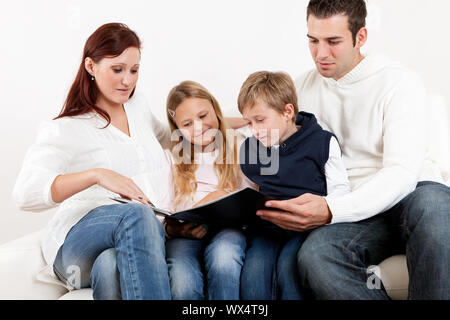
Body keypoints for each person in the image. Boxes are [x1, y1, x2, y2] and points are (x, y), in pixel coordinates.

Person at [256, 0, 450, 299]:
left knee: (438, 211)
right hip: (356, 210)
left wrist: (331, 209)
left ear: (360, 38)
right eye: (313, 40)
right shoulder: (302, 89)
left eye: (333, 41)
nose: (321, 53)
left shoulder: (398, 82)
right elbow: (257, 115)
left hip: (411, 194)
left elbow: (401, 174)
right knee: (316, 255)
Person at [12, 23, 173, 300]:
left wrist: (220, 121)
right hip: (76, 248)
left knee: (110, 266)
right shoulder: (67, 128)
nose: (128, 81)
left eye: (134, 70)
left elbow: (169, 138)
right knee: (136, 213)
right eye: (117, 69)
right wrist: (97, 174)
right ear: (90, 66)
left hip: (132, 241)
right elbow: (25, 195)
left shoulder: (138, 106)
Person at [237, 71, 350, 300]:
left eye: (260, 120)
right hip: (266, 230)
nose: (255, 130)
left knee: (290, 271)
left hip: (304, 228)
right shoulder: (251, 148)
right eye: (249, 123)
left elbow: (341, 192)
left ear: (287, 112)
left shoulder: (322, 142)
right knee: (253, 276)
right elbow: (246, 192)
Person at [162, 80, 256, 300]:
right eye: (187, 124)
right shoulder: (171, 159)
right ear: (176, 129)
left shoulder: (239, 146)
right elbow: (164, 209)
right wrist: (175, 230)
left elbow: (250, 196)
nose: (198, 127)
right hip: (186, 233)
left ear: (215, 109)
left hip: (228, 229)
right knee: (183, 280)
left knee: (224, 259)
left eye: (203, 116)